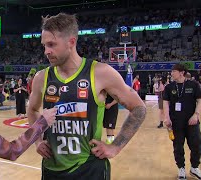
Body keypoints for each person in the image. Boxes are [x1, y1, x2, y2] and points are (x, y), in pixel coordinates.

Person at [28, 13, 146, 180]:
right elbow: (32, 110)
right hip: (51, 168)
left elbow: (139, 108)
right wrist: (37, 140)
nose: (46, 51)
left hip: (90, 168)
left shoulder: (100, 73)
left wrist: (115, 147)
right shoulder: (41, 77)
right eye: (44, 45)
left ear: (71, 42)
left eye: (52, 44)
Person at [163, 64, 201, 180]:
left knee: (196, 145)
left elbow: (200, 101)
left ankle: (194, 167)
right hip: (176, 122)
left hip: (192, 122)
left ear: (181, 72)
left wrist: (196, 115)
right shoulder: (169, 87)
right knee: (178, 146)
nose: (171, 73)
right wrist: (166, 117)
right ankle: (181, 168)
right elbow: (165, 103)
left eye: (173, 71)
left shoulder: (194, 85)